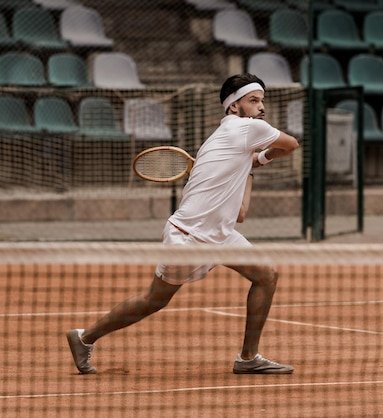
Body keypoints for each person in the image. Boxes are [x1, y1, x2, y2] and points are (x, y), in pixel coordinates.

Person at [66, 73, 299, 375]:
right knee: (153, 300)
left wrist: (252, 166)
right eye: (253, 101)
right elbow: (291, 144)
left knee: (266, 275)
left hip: (220, 235)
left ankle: (248, 357)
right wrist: (262, 157)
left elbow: (240, 214)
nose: (261, 107)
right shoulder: (248, 128)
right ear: (233, 107)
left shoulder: (220, 142)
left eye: (262, 101)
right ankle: (84, 338)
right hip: (189, 237)